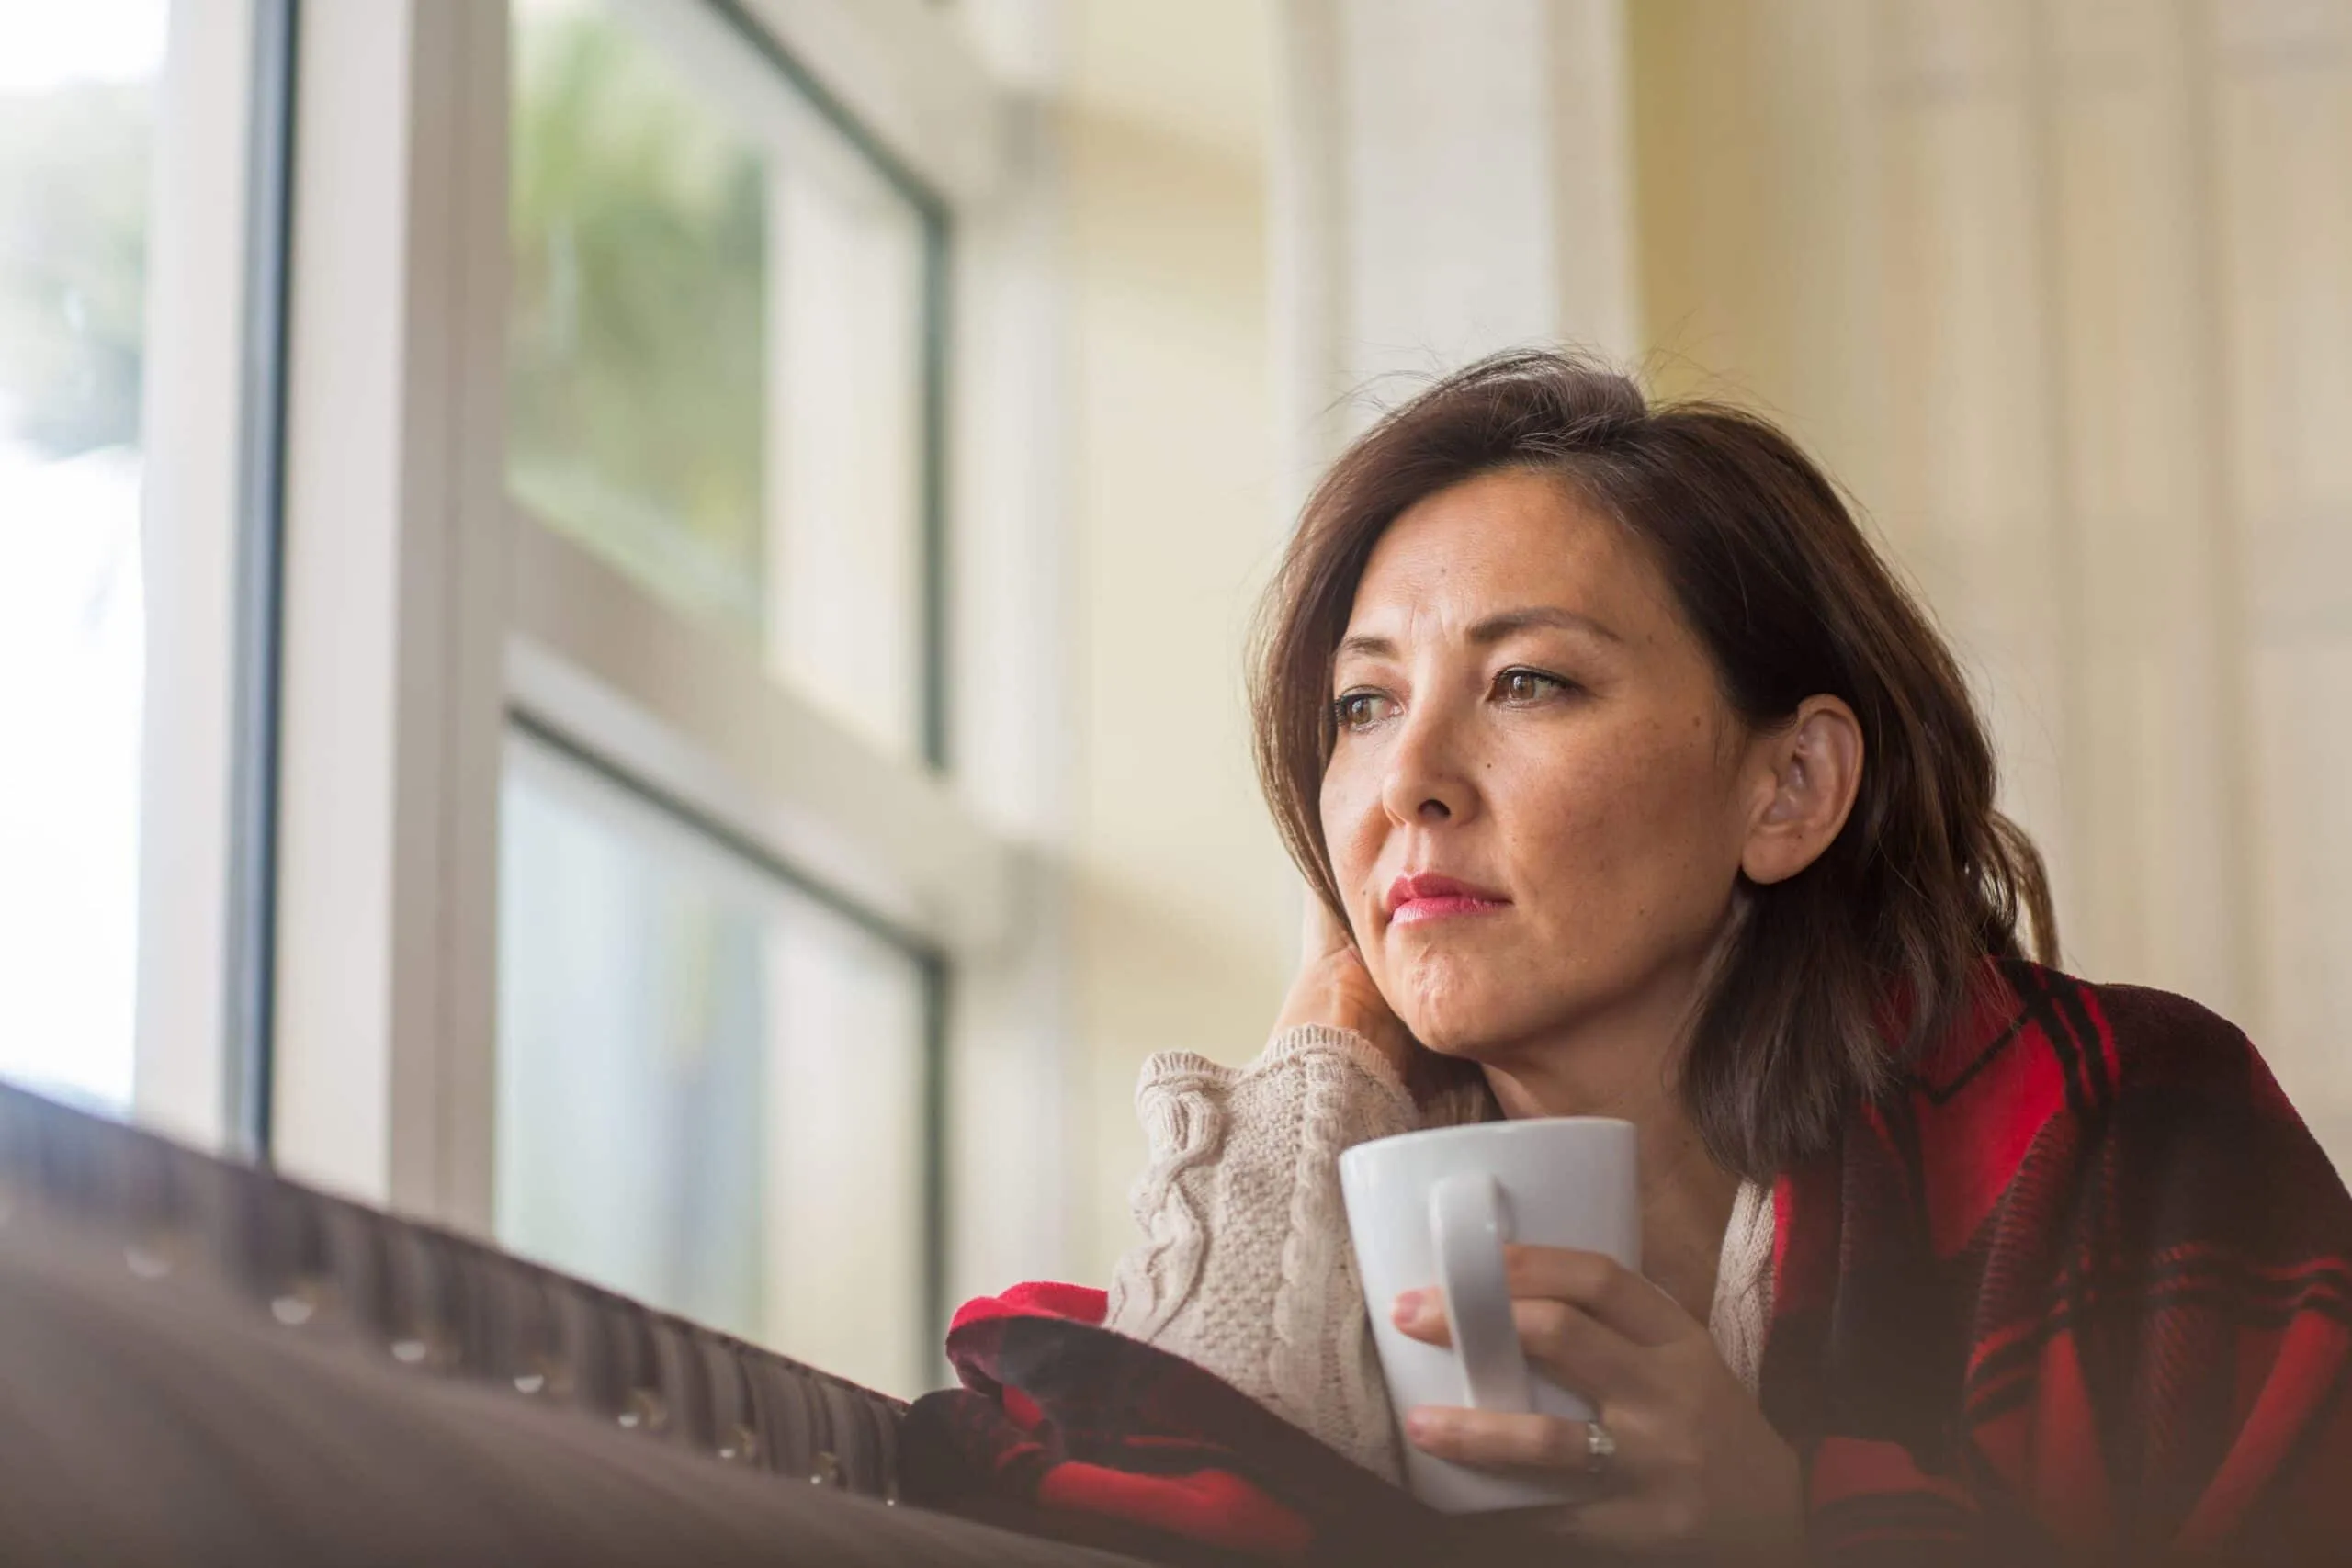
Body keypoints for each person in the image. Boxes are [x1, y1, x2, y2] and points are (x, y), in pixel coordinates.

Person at [1088, 351, 2352, 1561]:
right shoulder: (1320, 1195)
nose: (1406, 779)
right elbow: (1131, 1517)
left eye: (1527, 681)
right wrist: (1316, 1067)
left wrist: (1802, 1532)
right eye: (1364, 704)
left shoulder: (2133, 1131)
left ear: (1790, 786)